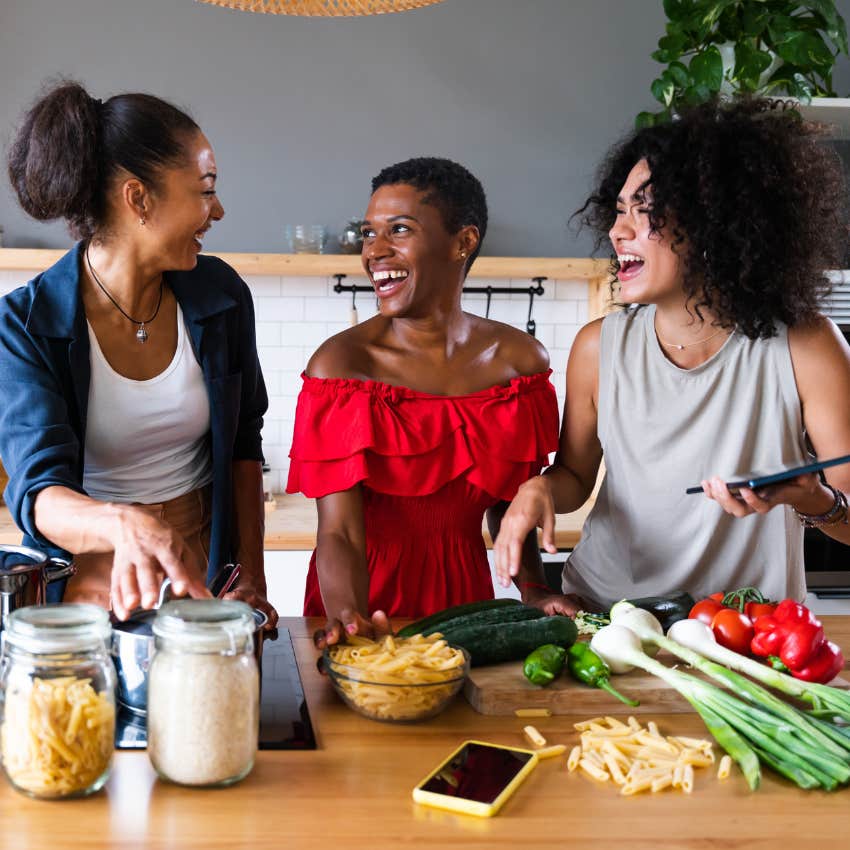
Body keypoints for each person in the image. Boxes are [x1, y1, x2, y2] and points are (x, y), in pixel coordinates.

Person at [494, 97, 850, 612]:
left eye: (646, 212)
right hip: (609, 621)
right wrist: (540, 490)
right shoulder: (599, 347)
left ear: (716, 226)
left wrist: (814, 500)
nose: (618, 232)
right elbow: (574, 477)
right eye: (619, 212)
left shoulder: (806, 346)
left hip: (747, 633)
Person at [0, 81, 277, 625]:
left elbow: (245, 440)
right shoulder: (25, 324)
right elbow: (38, 491)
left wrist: (252, 573)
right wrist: (122, 524)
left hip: (203, 559)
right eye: (204, 189)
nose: (217, 209)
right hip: (92, 567)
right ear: (138, 198)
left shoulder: (220, 296)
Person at [286, 157, 572, 647]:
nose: (375, 251)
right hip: (359, 594)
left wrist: (534, 589)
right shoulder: (341, 366)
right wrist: (349, 618)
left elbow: (511, 507)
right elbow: (340, 533)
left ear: (463, 242)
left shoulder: (519, 363)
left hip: (467, 598)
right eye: (368, 232)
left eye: (398, 230)